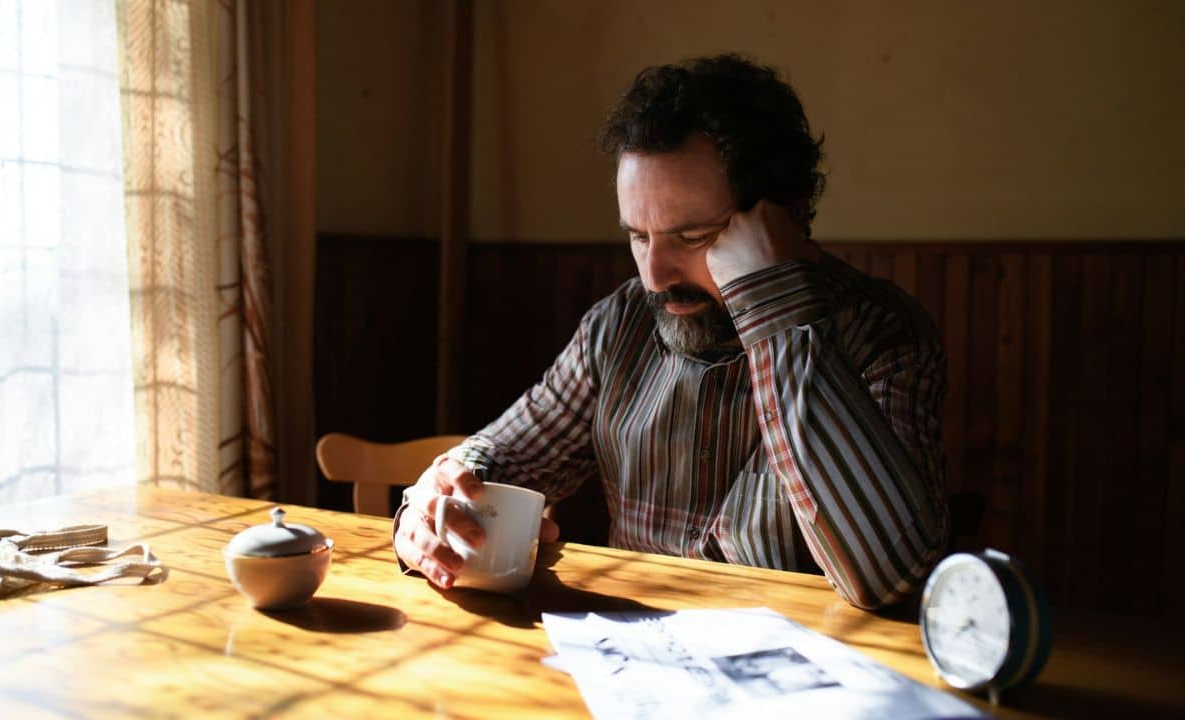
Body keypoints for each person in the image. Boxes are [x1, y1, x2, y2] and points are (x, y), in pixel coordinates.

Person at [393, 54, 949, 609]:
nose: (654, 277)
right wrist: (434, 504)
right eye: (639, 236)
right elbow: (503, 458)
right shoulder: (620, 325)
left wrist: (776, 310)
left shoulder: (883, 336)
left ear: (789, 217)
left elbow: (890, 575)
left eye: (693, 236)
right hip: (626, 661)